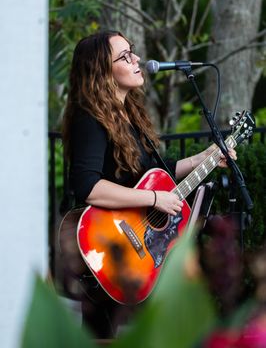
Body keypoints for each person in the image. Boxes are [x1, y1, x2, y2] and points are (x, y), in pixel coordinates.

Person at [62, 30, 237, 338]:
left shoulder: (129, 115)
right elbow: (87, 187)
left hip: (135, 247)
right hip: (108, 242)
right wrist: (155, 199)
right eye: (125, 55)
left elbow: (153, 172)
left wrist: (204, 158)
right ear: (102, 70)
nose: (137, 59)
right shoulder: (90, 119)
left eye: (133, 51)